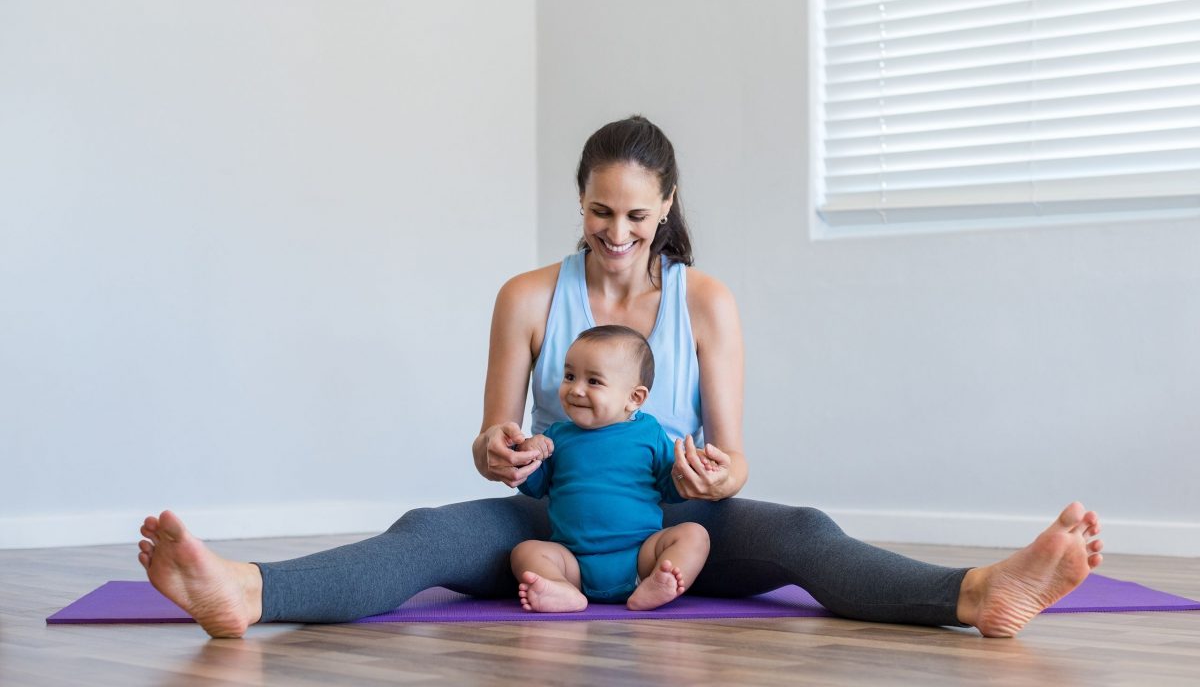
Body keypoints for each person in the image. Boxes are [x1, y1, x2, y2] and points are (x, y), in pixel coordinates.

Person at [137, 115, 1104, 639]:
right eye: (602, 212)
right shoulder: (525, 296)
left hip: (673, 526)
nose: (618, 233)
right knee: (426, 533)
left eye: (637, 216)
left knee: (806, 532)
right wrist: (498, 449)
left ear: (666, 205)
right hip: (553, 519)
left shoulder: (707, 301)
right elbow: (491, 447)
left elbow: (731, 462)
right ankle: (247, 593)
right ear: (581, 201)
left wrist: (715, 479)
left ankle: (982, 594)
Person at [511, 325, 710, 612]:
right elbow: (534, 486)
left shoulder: (649, 432)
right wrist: (528, 453)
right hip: (572, 561)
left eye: (593, 381)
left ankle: (657, 583)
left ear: (635, 398)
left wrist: (688, 470)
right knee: (525, 552)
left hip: (641, 555)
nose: (576, 389)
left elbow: (672, 488)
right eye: (569, 376)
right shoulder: (556, 436)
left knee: (694, 534)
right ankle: (562, 589)